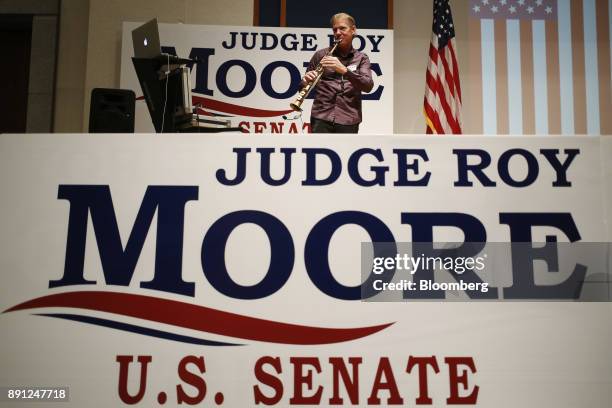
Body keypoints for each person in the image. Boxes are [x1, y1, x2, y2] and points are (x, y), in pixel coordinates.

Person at [301, 13, 374, 133]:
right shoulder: (320, 55)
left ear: (353, 30)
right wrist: (305, 81)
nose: (338, 33)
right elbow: (302, 88)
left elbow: (367, 86)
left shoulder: (362, 58)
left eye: (342, 28)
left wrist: (345, 70)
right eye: (335, 30)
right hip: (320, 117)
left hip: (348, 118)